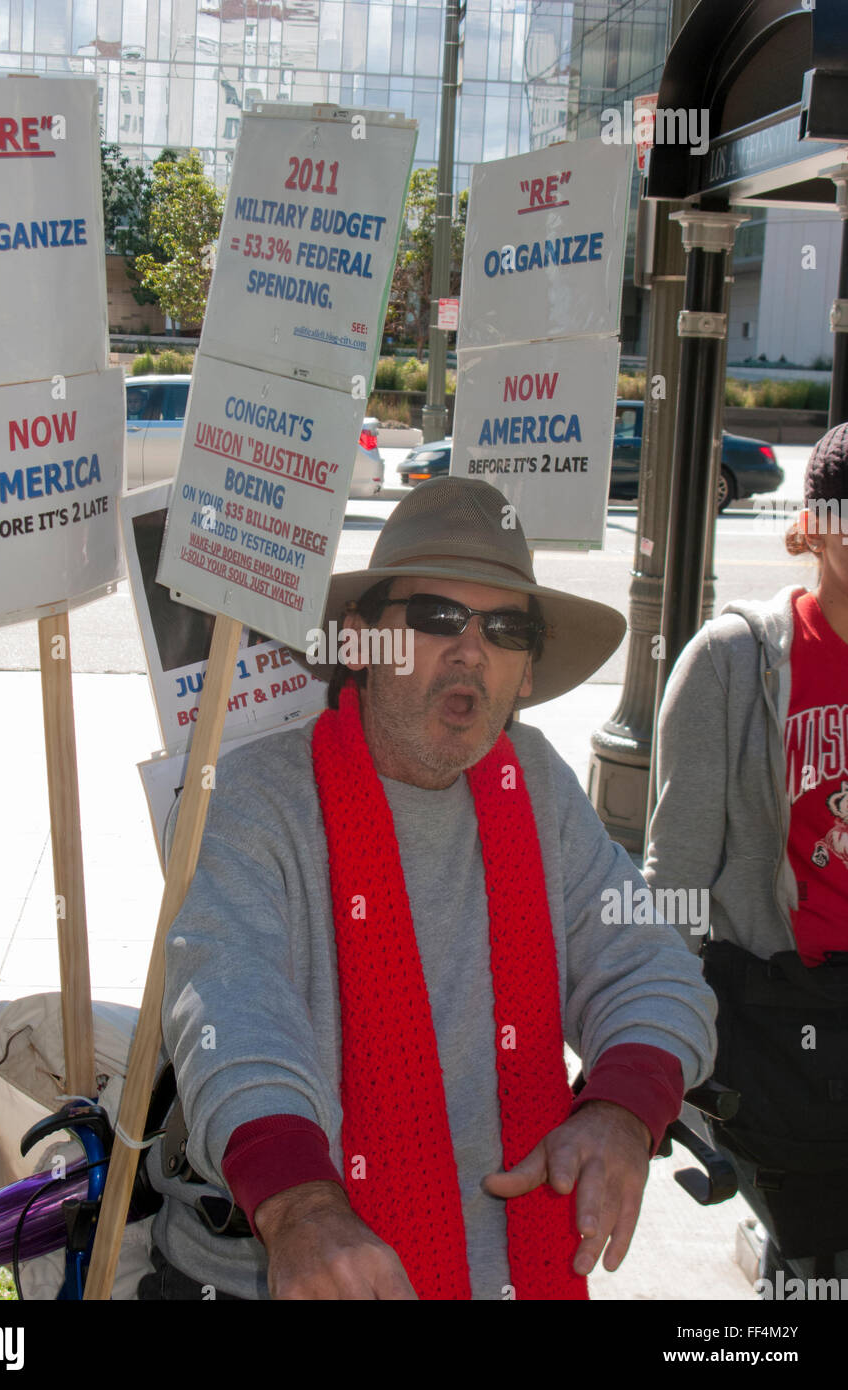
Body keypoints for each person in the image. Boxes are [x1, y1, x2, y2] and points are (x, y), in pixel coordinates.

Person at [142, 476, 716, 1301]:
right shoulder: (251, 799)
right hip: (278, 1277)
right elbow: (230, 1013)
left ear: (525, 673)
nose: (470, 650)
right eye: (436, 617)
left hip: (515, 1273)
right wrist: (302, 1205)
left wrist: (622, 1111)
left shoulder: (540, 789)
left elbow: (651, 967)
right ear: (358, 640)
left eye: (506, 627)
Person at [645, 423, 848, 1289]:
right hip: (785, 1033)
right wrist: (650, 1054)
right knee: (814, 1264)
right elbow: (674, 883)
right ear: (815, 524)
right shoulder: (734, 663)